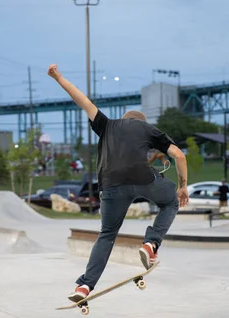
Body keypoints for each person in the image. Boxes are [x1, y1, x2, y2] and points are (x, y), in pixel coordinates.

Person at [47, 64, 189, 302]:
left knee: (107, 234)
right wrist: (182, 186)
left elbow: (82, 100)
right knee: (171, 202)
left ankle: (84, 287)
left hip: (110, 186)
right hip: (143, 179)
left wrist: (58, 77)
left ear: (124, 119)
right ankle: (151, 244)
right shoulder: (148, 129)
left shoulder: (108, 125)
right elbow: (180, 156)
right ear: (141, 123)